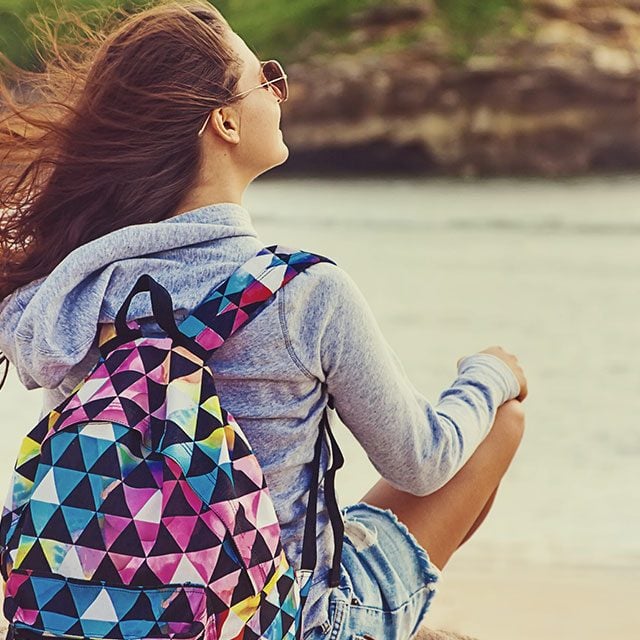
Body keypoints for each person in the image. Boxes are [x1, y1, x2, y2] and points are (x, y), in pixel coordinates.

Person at [0, 2, 526, 638]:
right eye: (264, 77)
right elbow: (422, 460)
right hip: (278, 622)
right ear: (224, 120)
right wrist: (489, 373)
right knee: (499, 423)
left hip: (92, 614)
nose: (279, 92)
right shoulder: (302, 291)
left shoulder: (69, 295)